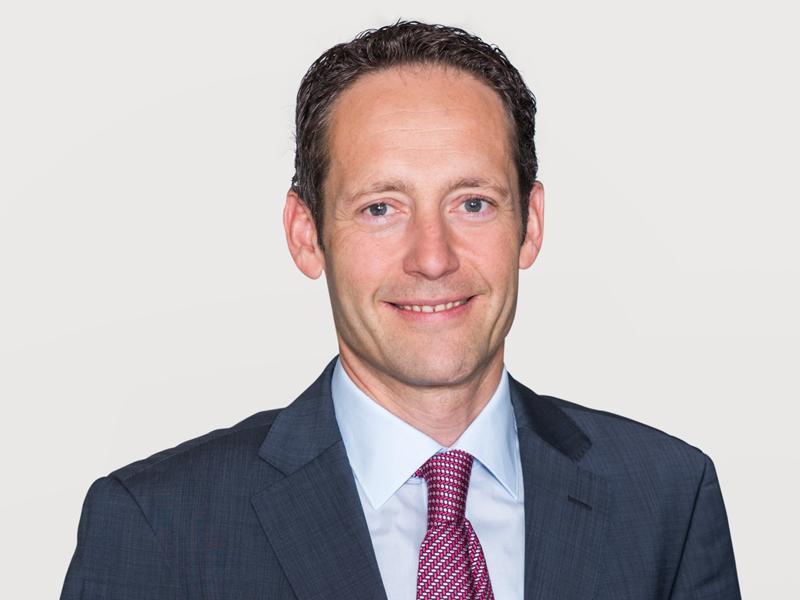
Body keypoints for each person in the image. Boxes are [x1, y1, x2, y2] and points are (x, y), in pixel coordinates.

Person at [60, 21, 741, 599]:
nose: (433, 257)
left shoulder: (667, 500)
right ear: (307, 235)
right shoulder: (159, 526)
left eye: (472, 203)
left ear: (530, 224)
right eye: (381, 208)